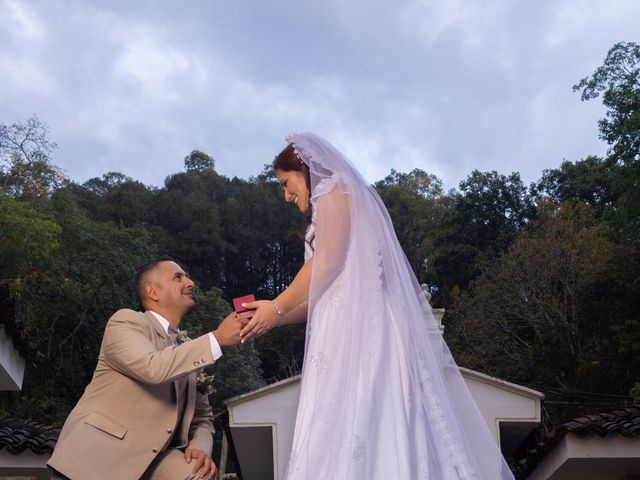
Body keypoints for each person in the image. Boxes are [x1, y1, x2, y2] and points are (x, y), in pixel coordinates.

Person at [241, 133, 516, 479]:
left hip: (367, 329)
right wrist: (271, 317)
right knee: (336, 425)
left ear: (305, 168)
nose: (285, 195)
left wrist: (277, 306)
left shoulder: (335, 189)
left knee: (374, 417)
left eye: (285, 183)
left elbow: (328, 261)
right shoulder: (322, 211)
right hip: (335, 331)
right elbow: (316, 296)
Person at [48, 256, 247, 480]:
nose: (190, 282)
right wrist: (217, 338)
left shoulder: (189, 348)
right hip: (97, 457)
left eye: (187, 276)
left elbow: (202, 418)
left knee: (199, 474)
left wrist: (200, 446)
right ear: (153, 292)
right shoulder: (126, 322)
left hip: (155, 460)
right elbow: (152, 368)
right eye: (178, 277)